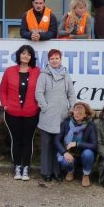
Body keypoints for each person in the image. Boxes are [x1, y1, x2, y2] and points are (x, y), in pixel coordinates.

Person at [0, 45, 41, 181]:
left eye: (28, 54)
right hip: (12, 112)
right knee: (16, 140)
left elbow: (42, 90)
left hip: (31, 112)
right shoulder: (9, 71)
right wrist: (5, 104)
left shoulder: (37, 72)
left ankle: (26, 168)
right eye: (23, 53)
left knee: (27, 140)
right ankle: (17, 166)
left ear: (31, 57)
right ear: (18, 55)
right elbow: (3, 90)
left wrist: (39, 106)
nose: (25, 56)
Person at [35, 49, 76, 181]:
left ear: (60, 59)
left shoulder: (65, 74)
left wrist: (72, 108)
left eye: (56, 58)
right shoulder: (44, 75)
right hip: (47, 115)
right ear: (48, 60)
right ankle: (46, 172)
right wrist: (45, 107)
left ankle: (57, 172)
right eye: (52, 58)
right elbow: (39, 93)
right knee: (47, 145)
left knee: (58, 145)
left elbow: (71, 93)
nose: (54, 61)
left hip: (62, 115)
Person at [54, 102, 97, 187]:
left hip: (83, 154)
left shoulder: (90, 125)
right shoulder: (66, 123)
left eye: (80, 112)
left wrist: (77, 143)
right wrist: (64, 152)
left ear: (85, 115)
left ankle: (86, 174)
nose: (77, 113)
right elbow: (56, 140)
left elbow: (94, 145)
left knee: (88, 153)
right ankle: (70, 171)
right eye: (75, 111)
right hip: (69, 152)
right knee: (64, 161)